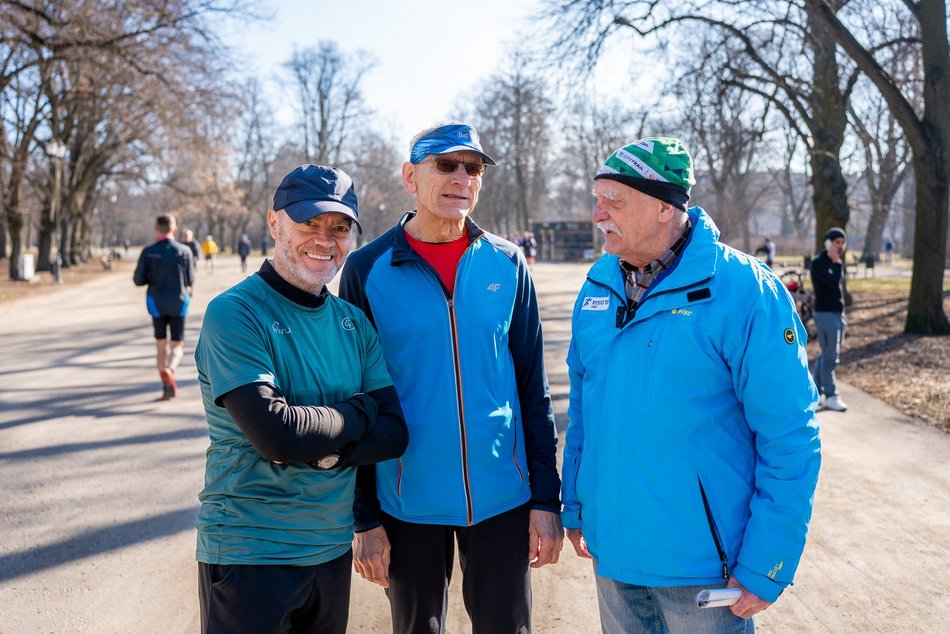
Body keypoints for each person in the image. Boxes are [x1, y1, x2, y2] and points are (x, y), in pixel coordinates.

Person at [561, 137, 821, 633]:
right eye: (597, 198)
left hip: (704, 571)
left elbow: (790, 435)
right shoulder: (598, 285)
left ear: (665, 208)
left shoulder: (745, 290)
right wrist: (575, 503)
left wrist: (766, 563)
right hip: (612, 555)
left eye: (614, 200)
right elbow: (584, 409)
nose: (598, 214)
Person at [339, 122, 562, 633]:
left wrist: (545, 499)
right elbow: (353, 397)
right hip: (405, 498)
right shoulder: (367, 268)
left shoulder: (507, 262)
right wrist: (365, 517)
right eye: (445, 164)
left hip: (502, 495)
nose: (462, 177)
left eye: (473, 168)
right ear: (410, 176)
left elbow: (533, 387)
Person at [194, 164, 409, 634]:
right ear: (275, 223)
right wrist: (361, 409)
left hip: (329, 549)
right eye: (309, 222)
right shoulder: (235, 313)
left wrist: (330, 451)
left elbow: (394, 433)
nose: (324, 239)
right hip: (249, 552)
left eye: (339, 228)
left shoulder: (353, 322)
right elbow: (278, 435)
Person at [132, 214, 195, 400]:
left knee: (161, 345)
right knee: (177, 346)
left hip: (156, 304)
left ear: (156, 229)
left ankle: (166, 385)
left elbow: (138, 280)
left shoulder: (148, 251)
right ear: (174, 229)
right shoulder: (184, 251)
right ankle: (170, 369)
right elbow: (190, 279)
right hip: (178, 303)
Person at [810, 227, 849, 412]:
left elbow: (837, 291)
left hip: (837, 314)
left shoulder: (835, 262)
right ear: (827, 243)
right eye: (836, 242)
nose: (840, 246)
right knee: (830, 358)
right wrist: (837, 263)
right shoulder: (819, 263)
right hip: (824, 314)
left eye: (842, 242)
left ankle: (815, 391)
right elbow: (832, 283)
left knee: (826, 354)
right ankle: (831, 396)